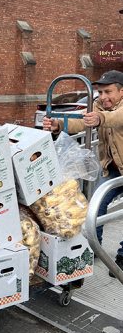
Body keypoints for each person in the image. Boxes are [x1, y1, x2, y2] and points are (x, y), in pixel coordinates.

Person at [43, 70, 123, 277]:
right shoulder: (97, 106)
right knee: (95, 208)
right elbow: (82, 121)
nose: (103, 97)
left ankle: (122, 258)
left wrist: (99, 118)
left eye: (108, 92)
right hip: (112, 169)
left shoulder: (111, 111)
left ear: (122, 91)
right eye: (100, 92)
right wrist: (58, 125)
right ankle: (94, 249)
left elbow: (116, 118)